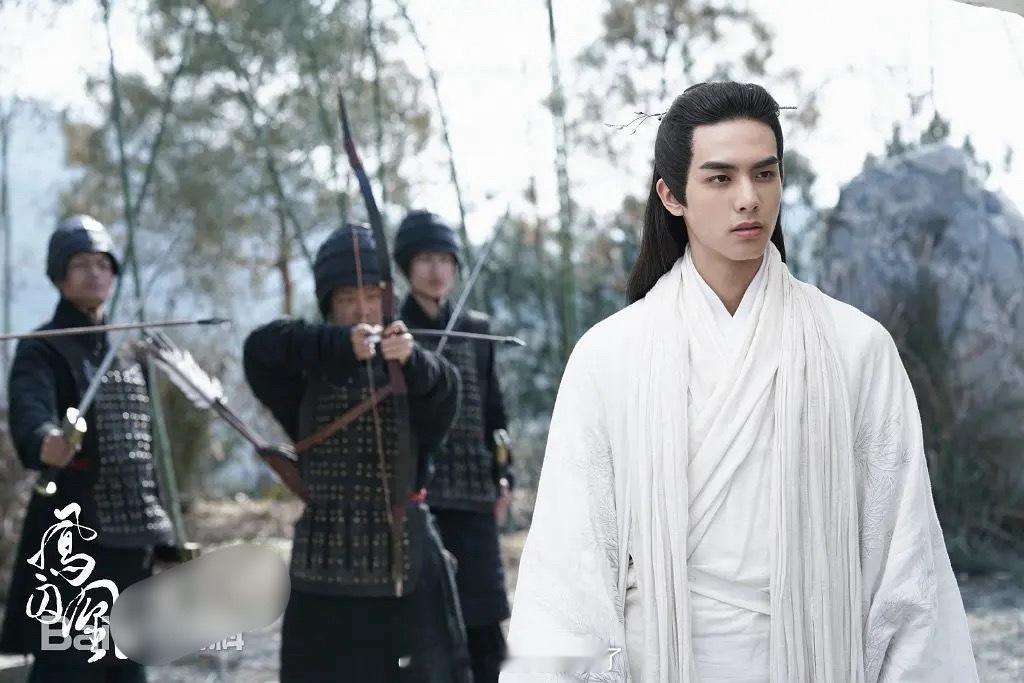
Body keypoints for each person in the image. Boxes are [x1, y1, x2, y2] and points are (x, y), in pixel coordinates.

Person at [503, 82, 978, 682]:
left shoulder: (856, 348)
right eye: (720, 178)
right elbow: (569, 574)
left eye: (765, 174)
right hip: (660, 661)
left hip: (816, 658)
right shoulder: (609, 357)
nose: (748, 199)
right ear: (671, 195)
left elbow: (903, 563)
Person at [243, 223, 470, 682]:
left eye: (373, 296)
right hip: (325, 561)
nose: (363, 309)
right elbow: (259, 350)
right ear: (329, 305)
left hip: (405, 559)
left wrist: (413, 361)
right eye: (348, 298)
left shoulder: (411, 367)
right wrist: (336, 346)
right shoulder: (308, 373)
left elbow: (446, 393)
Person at [1, 215, 178, 682]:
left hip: (134, 539)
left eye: (103, 264)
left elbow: (145, 452)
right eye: (81, 264)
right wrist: (45, 440)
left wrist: (165, 540)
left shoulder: (130, 352)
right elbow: (30, 408)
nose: (94, 273)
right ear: (60, 275)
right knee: (68, 667)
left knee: (127, 667)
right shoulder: (42, 348)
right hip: (73, 537)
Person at [395, 211, 514, 682]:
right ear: (407, 266)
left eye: (445, 259)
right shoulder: (392, 332)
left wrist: (504, 476)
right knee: (426, 629)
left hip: (475, 498)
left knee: (485, 627)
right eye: (425, 259)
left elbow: (494, 414)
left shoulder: (476, 329)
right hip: (419, 500)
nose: (436, 270)